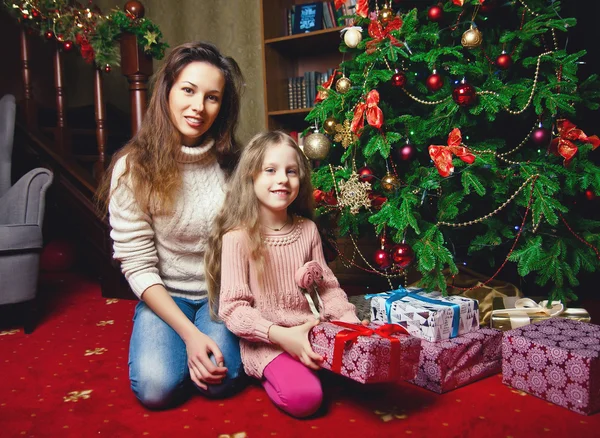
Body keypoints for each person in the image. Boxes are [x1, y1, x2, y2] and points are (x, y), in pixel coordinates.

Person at [96, 41, 245, 409]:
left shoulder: (235, 164)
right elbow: (137, 263)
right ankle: (165, 334)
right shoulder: (133, 168)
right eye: (188, 90)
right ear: (167, 91)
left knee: (218, 383)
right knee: (156, 388)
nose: (198, 107)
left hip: (221, 295)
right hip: (165, 294)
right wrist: (189, 336)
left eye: (212, 97)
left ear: (222, 106)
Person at [205, 131, 361, 418]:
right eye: (270, 170)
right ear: (251, 176)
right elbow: (234, 310)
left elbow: (327, 288)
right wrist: (279, 336)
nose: (282, 179)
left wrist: (349, 320)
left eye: (291, 171)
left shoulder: (307, 229)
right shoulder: (237, 238)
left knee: (366, 374)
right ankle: (274, 375)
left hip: (314, 331)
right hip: (269, 341)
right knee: (306, 399)